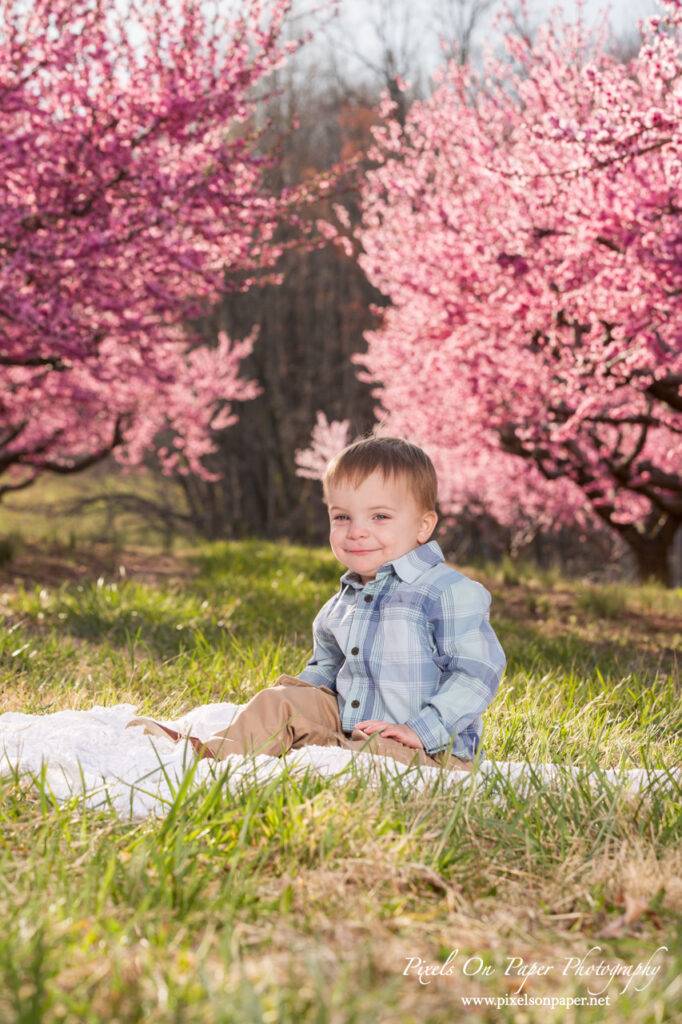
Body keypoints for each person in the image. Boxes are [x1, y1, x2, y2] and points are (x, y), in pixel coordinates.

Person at [128, 437, 506, 772]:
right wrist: (291, 705)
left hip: (432, 752)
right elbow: (325, 671)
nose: (356, 530)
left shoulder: (447, 591)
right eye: (342, 517)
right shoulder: (344, 600)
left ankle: (315, 755)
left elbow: (477, 672)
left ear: (423, 526)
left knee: (366, 761)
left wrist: (422, 729)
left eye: (380, 516)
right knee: (281, 702)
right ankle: (215, 755)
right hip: (352, 726)